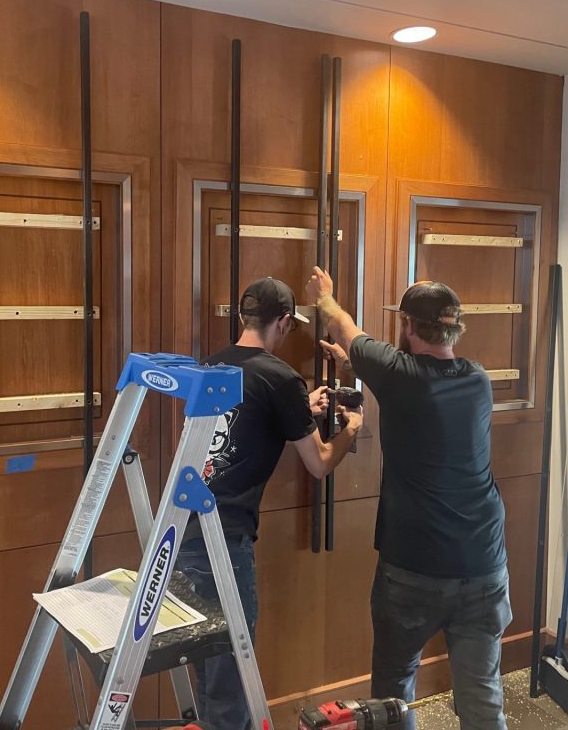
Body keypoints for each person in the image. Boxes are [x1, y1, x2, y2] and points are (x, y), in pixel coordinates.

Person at [306, 266, 511, 730]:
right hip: (482, 562)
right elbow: (399, 377)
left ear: (407, 325)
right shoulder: (477, 380)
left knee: (394, 692)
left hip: (414, 567)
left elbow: (345, 326)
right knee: (482, 696)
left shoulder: (401, 373)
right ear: (452, 327)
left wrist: (324, 297)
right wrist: (353, 365)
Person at [177, 276, 364, 730]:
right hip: (225, 542)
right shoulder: (280, 377)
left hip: (183, 531)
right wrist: (352, 429)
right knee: (232, 676)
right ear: (282, 321)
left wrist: (302, 408)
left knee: (208, 667)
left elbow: (243, 425)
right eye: (290, 327)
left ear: (243, 317)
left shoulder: (212, 364)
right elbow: (318, 464)